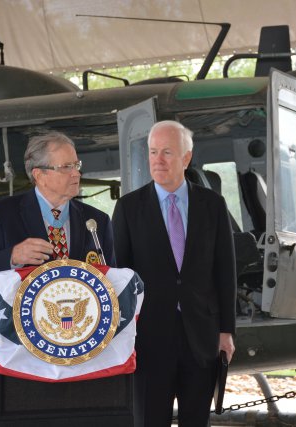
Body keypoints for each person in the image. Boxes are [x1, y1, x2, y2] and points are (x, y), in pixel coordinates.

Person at [0, 131, 116, 426]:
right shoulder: (2, 216)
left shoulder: (96, 222)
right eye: (67, 167)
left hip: (80, 361)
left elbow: (110, 286)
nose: (77, 173)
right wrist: (12, 256)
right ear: (39, 175)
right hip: (17, 359)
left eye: (77, 165)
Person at [112, 120, 236, 426]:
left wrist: (226, 331)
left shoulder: (213, 205)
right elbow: (118, 278)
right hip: (149, 338)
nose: (158, 159)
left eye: (167, 152)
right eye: (153, 152)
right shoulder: (128, 208)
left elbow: (225, 272)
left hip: (202, 338)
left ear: (186, 158)